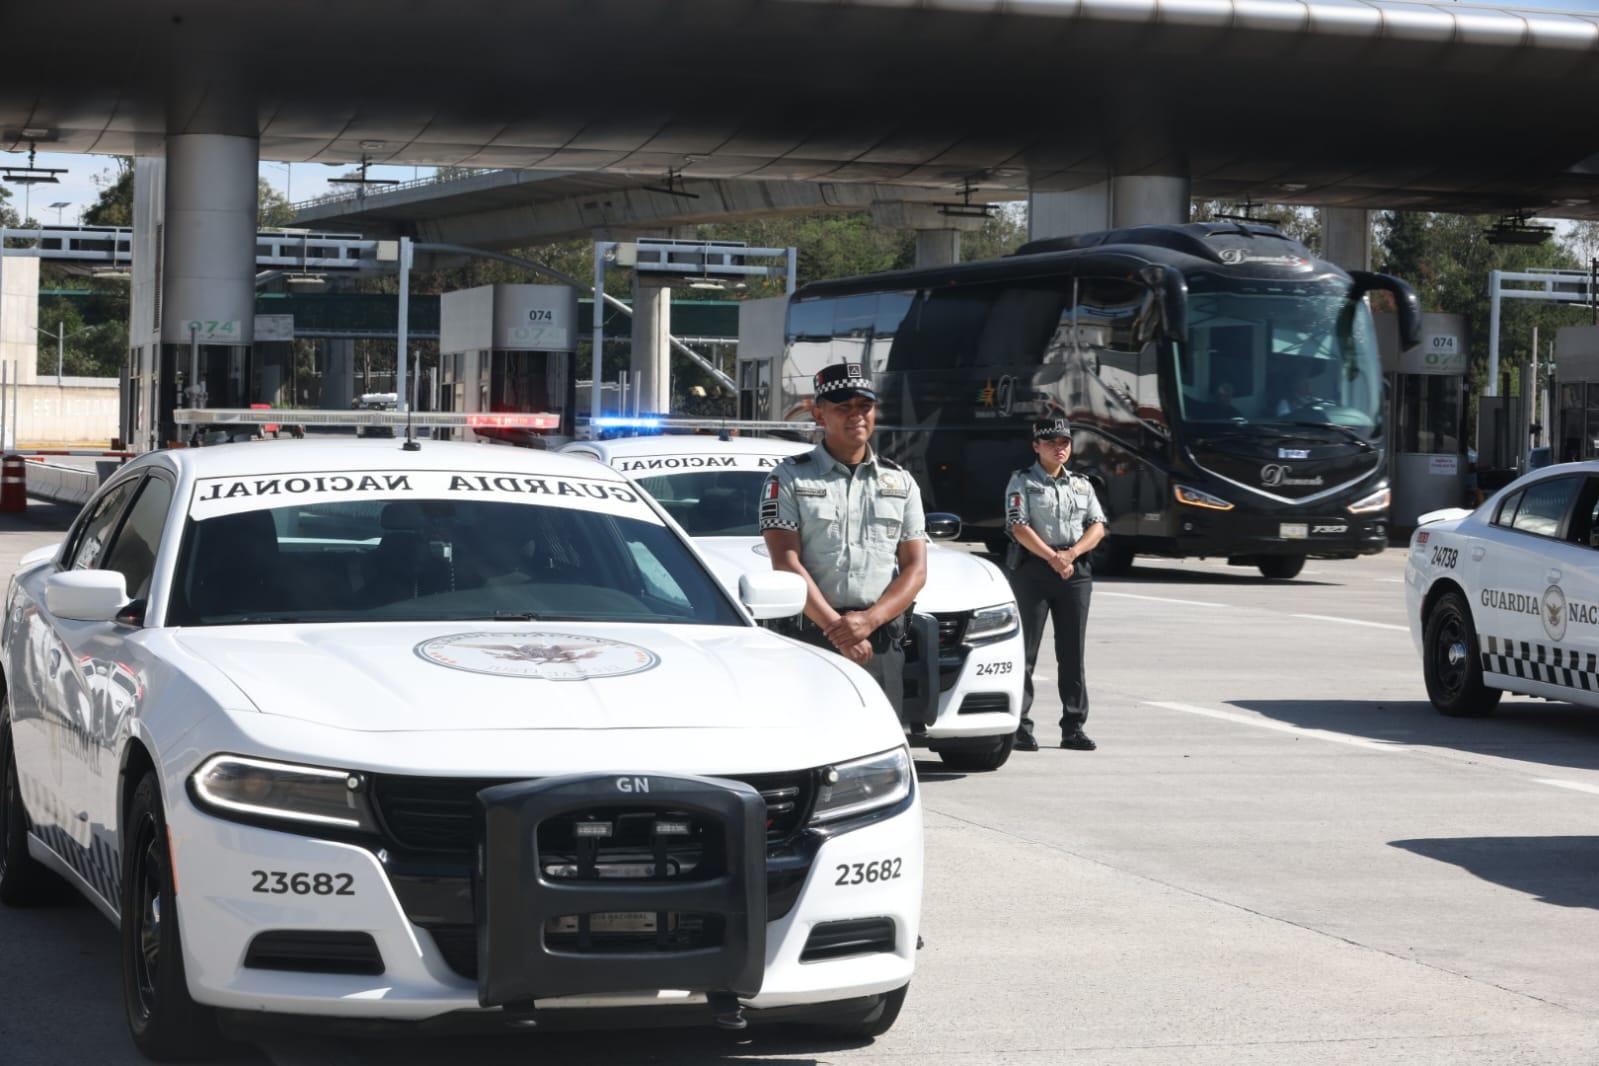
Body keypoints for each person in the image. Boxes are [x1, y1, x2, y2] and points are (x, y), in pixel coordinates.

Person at [761, 362, 928, 714]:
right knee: (810, 748)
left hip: (878, 639)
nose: (856, 416)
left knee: (882, 750)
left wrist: (869, 621)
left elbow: (915, 569)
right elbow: (785, 561)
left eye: (864, 406)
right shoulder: (789, 477)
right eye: (843, 408)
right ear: (820, 415)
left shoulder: (901, 482)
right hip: (811, 636)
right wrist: (838, 630)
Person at [1004, 418, 1106, 751]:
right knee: (1026, 652)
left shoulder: (1081, 484)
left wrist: (1072, 554)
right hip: (1033, 571)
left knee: (1072, 653)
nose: (1059, 447)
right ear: (1036, 446)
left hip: (1073, 573)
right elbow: (1019, 526)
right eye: (1051, 442)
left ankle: (1073, 727)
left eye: (1064, 442)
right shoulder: (1022, 481)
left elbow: (1098, 526)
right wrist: (1053, 557)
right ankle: (1020, 724)